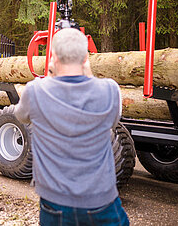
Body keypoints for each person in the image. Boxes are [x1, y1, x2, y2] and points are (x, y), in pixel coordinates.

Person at [14, 28, 129, 225]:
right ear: (86, 58)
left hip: (55, 203)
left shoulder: (35, 92)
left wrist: (51, 75)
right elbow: (112, 121)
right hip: (101, 202)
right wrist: (88, 71)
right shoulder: (110, 91)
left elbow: (20, 116)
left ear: (54, 58)